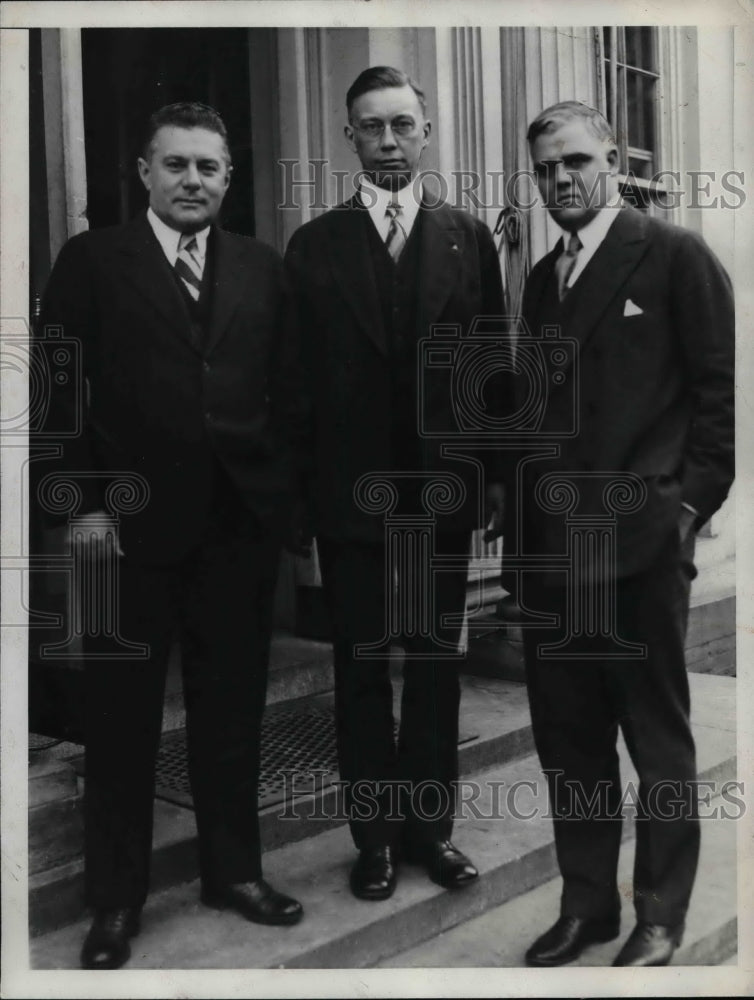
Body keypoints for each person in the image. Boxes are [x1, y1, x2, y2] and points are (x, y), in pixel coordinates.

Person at [35, 102, 306, 970]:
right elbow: (58, 392)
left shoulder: (262, 268)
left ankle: (235, 873)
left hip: (237, 530)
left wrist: (285, 509)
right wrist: (79, 503)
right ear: (145, 172)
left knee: (232, 712)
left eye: (210, 169)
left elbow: (290, 394)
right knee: (121, 721)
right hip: (122, 532)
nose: (194, 181)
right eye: (177, 165)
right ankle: (115, 903)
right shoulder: (91, 263)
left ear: (230, 180)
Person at [508, 101, 734, 967]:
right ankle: (587, 906)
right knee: (570, 743)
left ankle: (662, 916)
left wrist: (680, 517)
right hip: (553, 555)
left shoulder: (674, 257)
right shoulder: (541, 278)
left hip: (638, 548)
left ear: (611, 157)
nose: (561, 180)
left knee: (657, 740)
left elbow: (719, 410)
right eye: (545, 169)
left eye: (575, 161)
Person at [284, 66, 506, 902]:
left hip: (443, 505)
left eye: (402, 125)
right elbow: (295, 382)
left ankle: (431, 832)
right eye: (371, 126)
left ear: (427, 131)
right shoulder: (314, 246)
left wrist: (487, 485)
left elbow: (492, 369)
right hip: (351, 507)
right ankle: (373, 839)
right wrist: (303, 503)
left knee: (436, 672)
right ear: (349, 138)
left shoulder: (468, 238)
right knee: (363, 672)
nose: (388, 140)